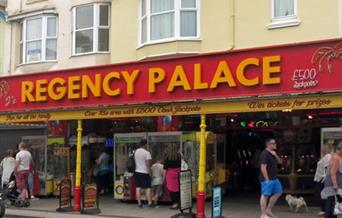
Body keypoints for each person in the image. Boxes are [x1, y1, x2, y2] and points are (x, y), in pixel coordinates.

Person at [259, 138, 282, 218]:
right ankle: (263, 214)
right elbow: (263, 167)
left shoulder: (272, 153)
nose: (275, 144)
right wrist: (267, 179)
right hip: (267, 178)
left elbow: (280, 162)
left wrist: (275, 155)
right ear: (268, 145)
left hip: (274, 178)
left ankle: (268, 210)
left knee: (278, 192)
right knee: (265, 195)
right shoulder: (264, 154)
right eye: (273, 143)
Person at [321, 142, 342, 218]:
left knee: (333, 204)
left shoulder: (337, 157)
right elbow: (333, 172)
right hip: (333, 184)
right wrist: (335, 184)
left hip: (334, 183)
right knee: (332, 204)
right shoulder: (336, 158)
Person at [314, 144, 333, 217]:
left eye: (323, 148)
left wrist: (325, 179)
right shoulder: (325, 156)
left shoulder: (327, 156)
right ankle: (324, 210)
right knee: (320, 195)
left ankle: (324, 210)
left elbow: (326, 168)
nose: (321, 149)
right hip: (320, 178)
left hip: (322, 179)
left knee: (321, 195)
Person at [134, 139, 153, 207]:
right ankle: (149, 202)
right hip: (145, 172)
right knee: (148, 187)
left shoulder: (136, 151)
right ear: (145, 144)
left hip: (137, 172)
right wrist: (150, 173)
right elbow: (148, 165)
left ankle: (139, 203)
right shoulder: (147, 153)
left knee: (138, 187)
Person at [164, 143, 181, 210]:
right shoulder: (179, 156)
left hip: (170, 175)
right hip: (178, 173)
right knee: (178, 189)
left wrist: (164, 178)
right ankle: (178, 202)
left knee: (172, 190)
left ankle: (174, 204)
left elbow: (165, 168)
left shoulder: (167, 156)